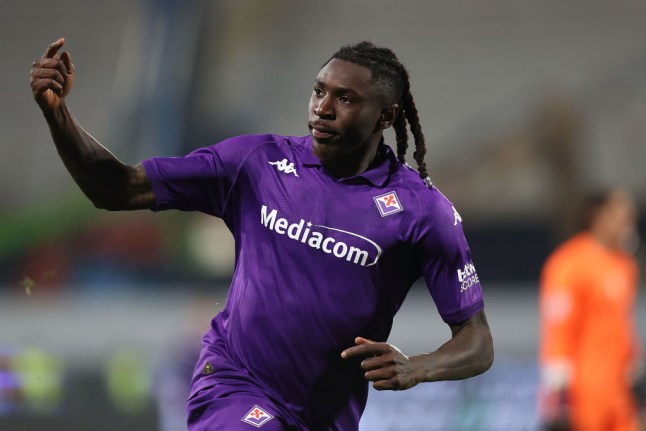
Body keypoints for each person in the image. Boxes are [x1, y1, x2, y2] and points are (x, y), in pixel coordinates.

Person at [31, 38, 494, 430]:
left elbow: (477, 341)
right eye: (318, 91)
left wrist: (418, 367)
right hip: (233, 381)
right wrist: (59, 117)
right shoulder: (256, 164)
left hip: (324, 414)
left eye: (346, 99)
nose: (323, 109)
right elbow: (116, 188)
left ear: (386, 117)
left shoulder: (422, 212)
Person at [539, 189, 642, 431]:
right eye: (623, 216)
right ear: (600, 217)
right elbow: (559, 328)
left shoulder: (625, 265)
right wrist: (558, 391)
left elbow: (623, 325)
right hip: (583, 391)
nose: (630, 224)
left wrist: (634, 372)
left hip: (619, 389)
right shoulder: (569, 264)